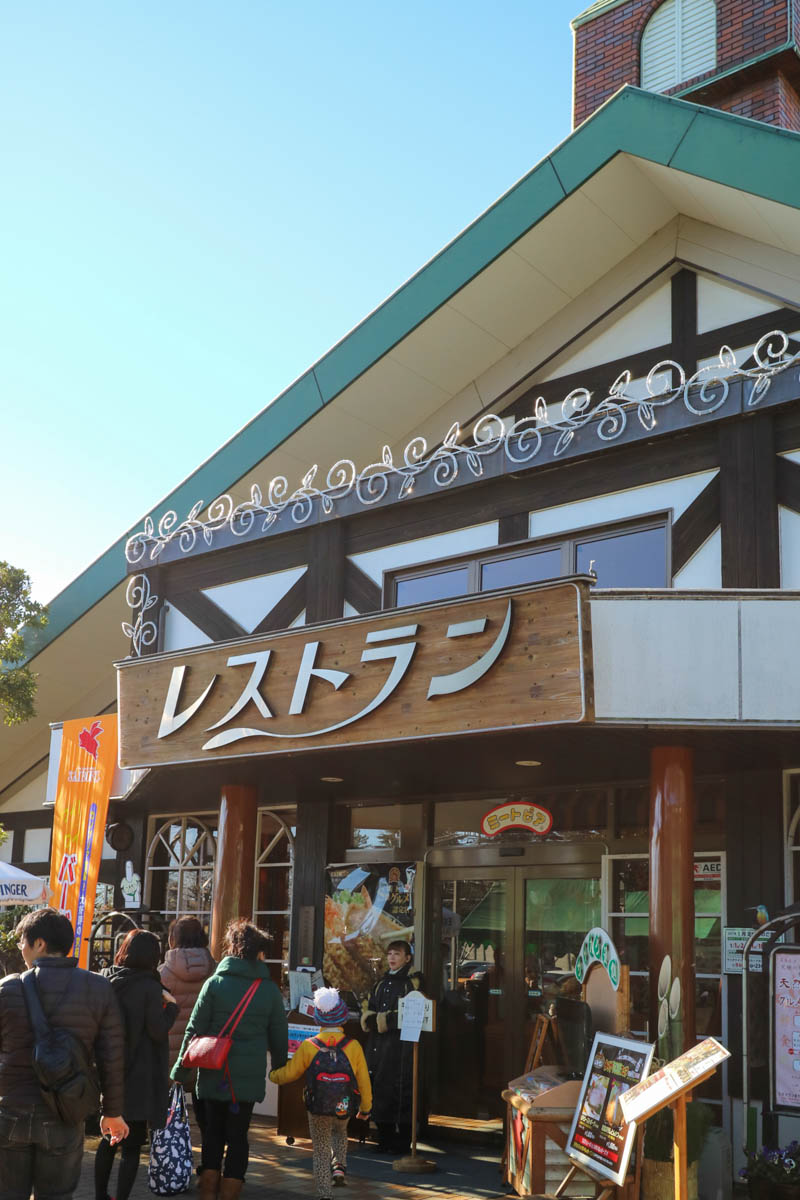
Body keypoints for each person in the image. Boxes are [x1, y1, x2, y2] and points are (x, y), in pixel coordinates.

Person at [0, 908, 127, 1200]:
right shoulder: (98, 988)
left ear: (39, 943)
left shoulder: (7, 989)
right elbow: (111, 1056)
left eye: (22, 941)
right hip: (65, 1113)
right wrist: (112, 1112)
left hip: (11, 1110)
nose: (20, 948)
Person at [172, 918, 288, 1200]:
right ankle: (229, 1193)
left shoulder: (214, 984)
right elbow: (279, 1035)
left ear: (232, 948)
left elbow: (194, 1029)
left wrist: (180, 1070)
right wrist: (280, 1068)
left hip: (215, 1070)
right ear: (259, 952)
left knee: (212, 1133)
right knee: (238, 1135)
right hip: (247, 1076)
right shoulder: (269, 990)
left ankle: (208, 1190)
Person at [95, 928, 178, 1200]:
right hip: (140, 1078)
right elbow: (157, 1030)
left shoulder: (105, 980)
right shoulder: (150, 987)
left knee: (108, 1141)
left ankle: (99, 1195)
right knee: (131, 1148)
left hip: (110, 1071)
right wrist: (172, 1007)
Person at [270, 986, 372, 1200]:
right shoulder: (353, 1046)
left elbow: (291, 1073)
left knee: (321, 1148)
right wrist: (365, 1108)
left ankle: (325, 1193)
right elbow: (364, 1081)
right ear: (343, 1018)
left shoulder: (309, 1046)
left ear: (318, 1019)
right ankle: (339, 1167)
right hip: (343, 1103)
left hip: (317, 1106)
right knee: (340, 1132)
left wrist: (273, 1076)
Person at [159, 915, 216, 1154]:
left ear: (173, 939)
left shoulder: (163, 973)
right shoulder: (215, 971)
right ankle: (210, 1163)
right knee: (207, 1114)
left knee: (167, 1112)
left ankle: (167, 1159)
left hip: (170, 1053)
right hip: (206, 1052)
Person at [360, 939, 423, 1154]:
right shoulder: (380, 982)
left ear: (407, 958)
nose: (392, 958)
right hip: (378, 1046)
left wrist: (381, 1020)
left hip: (402, 1047)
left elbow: (412, 1011)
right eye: (389, 954)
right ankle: (384, 1139)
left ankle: (403, 1143)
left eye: (397, 954)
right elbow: (368, 1007)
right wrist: (372, 1019)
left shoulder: (413, 982)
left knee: (402, 1092)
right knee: (379, 1090)